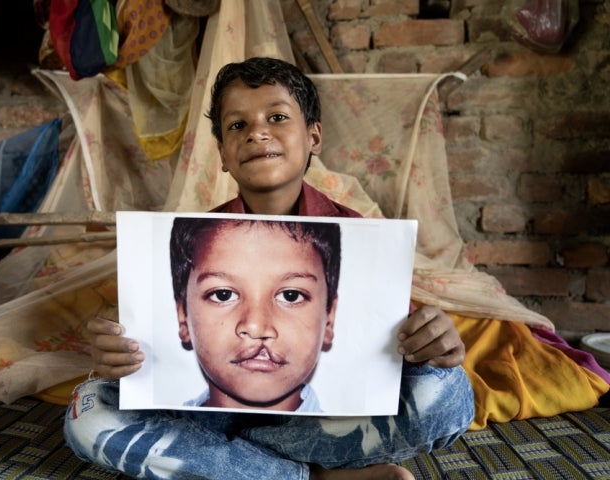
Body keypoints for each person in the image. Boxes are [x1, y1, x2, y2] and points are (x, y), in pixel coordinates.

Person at [65, 56, 474, 480]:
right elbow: (152, 349)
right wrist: (121, 349)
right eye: (237, 125)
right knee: (88, 409)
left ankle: (235, 466)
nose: (258, 132)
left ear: (314, 136)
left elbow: (392, 356)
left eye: (277, 117)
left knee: (447, 392)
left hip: (320, 424)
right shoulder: (192, 239)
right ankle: (315, 478)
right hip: (214, 416)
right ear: (222, 153)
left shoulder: (362, 239)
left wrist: (432, 350)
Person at [170, 217, 342, 412]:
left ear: (329, 318)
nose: (256, 327)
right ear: (183, 315)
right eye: (223, 294)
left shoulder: (362, 439)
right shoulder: (147, 433)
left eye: (291, 296)